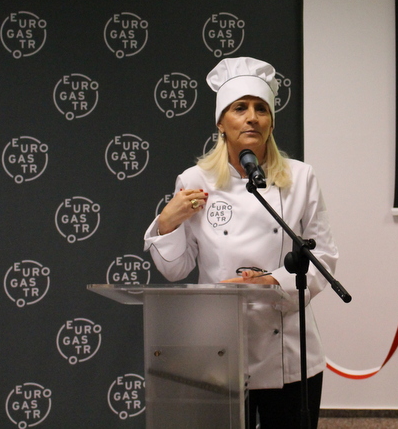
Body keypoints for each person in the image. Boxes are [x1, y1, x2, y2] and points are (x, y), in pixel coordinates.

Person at [143, 56, 338, 429]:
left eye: (261, 109)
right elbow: (175, 269)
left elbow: (324, 257)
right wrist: (166, 223)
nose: (252, 118)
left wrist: (271, 281)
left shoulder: (300, 177)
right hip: (217, 349)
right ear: (221, 122)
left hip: (288, 350)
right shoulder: (195, 180)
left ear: (271, 122)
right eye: (240, 108)